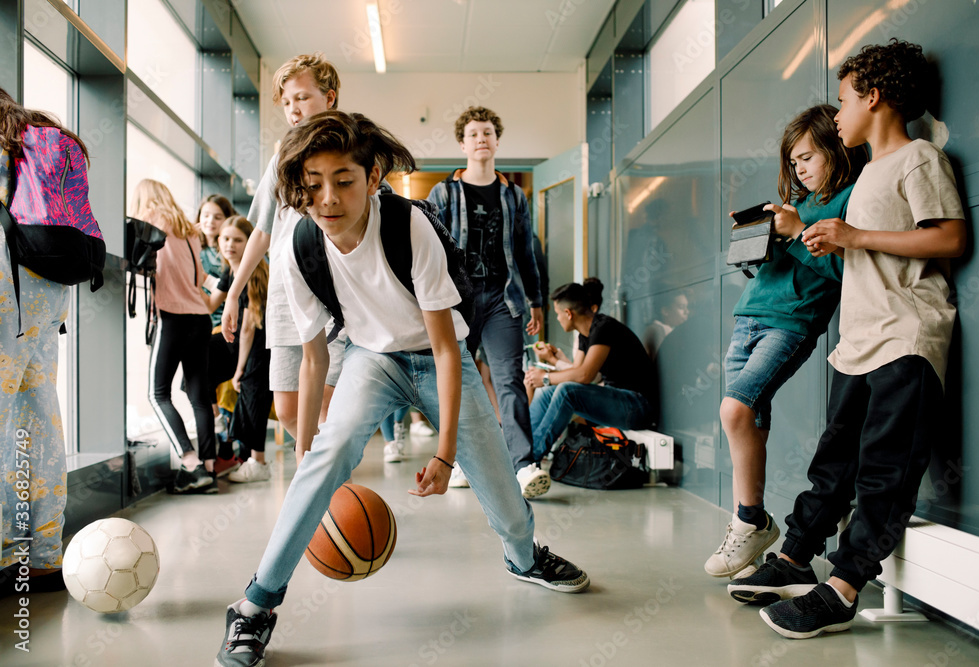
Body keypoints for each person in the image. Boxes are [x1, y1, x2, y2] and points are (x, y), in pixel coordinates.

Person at [214, 110, 589, 667]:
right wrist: (307, 450)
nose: (328, 198)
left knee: (502, 490)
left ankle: (523, 556)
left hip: (436, 356)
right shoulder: (297, 246)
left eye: (344, 180)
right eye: (312, 185)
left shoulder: (409, 225)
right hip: (371, 358)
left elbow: (443, 348)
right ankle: (254, 607)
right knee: (326, 455)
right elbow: (315, 356)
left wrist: (443, 454)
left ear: (372, 177)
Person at [729, 39, 966, 640]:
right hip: (859, 341)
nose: (837, 115)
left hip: (906, 338)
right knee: (832, 462)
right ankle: (794, 557)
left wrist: (854, 237)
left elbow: (949, 239)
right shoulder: (866, 178)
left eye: (843, 100)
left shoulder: (918, 159)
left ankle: (842, 588)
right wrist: (829, 238)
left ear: (875, 97)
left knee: (883, 472)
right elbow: (863, 242)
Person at [703, 105, 867, 579]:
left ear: (836, 150)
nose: (799, 169)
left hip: (791, 323)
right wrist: (760, 241)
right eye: (793, 162)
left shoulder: (852, 199)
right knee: (750, 423)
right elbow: (787, 263)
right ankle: (750, 523)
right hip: (749, 316)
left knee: (735, 409)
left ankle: (750, 521)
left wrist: (795, 234)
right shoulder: (801, 204)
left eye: (807, 157)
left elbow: (846, 272)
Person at [220, 52, 344, 464]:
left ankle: (329, 499)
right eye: (287, 101)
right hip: (285, 294)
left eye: (303, 98)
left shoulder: (350, 148)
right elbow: (262, 230)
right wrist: (235, 292)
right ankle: (324, 480)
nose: (293, 109)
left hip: (335, 295)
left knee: (326, 409)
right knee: (290, 412)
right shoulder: (282, 158)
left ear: (329, 98)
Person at [427, 106, 546, 498]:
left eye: (488, 132)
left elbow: (527, 251)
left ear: (497, 141)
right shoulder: (443, 194)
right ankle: (460, 459)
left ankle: (525, 465)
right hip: (456, 301)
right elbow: (425, 250)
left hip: (502, 300)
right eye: (474, 133)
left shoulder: (514, 196)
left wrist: (537, 301)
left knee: (509, 379)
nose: (481, 138)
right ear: (463, 143)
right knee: (456, 381)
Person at [0, 87, 85, 594]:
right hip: (48, 291)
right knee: (37, 421)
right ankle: (40, 557)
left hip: (5, 287)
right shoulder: (49, 142)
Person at [131, 179, 218, 494]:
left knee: (158, 394)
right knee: (199, 396)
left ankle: (190, 463)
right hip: (200, 317)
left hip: (172, 318)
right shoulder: (188, 230)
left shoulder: (151, 223)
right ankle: (209, 469)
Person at [524, 279, 656, 464]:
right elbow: (577, 373)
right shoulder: (585, 334)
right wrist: (551, 366)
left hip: (638, 406)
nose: (557, 318)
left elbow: (585, 375)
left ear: (568, 313)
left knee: (566, 391)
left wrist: (545, 377)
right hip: (619, 403)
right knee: (548, 393)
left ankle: (530, 459)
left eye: (557, 314)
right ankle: (520, 449)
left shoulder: (604, 328)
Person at [212, 217, 273, 483]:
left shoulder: (254, 271)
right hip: (247, 344)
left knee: (253, 394)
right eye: (225, 239)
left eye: (238, 240)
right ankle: (247, 455)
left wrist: (238, 369)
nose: (230, 245)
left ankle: (258, 462)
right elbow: (212, 300)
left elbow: (249, 325)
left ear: (250, 243)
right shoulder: (229, 270)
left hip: (261, 345)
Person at [196, 194, 238, 436]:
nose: (210, 221)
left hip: (224, 324)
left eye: (217, 216)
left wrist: (199, 277)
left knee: (220, 382)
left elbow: (228, 286)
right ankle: (216, 423)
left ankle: (221, 427)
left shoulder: (228, 249)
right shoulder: (195, 247)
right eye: (206, 215)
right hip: (200, 322)